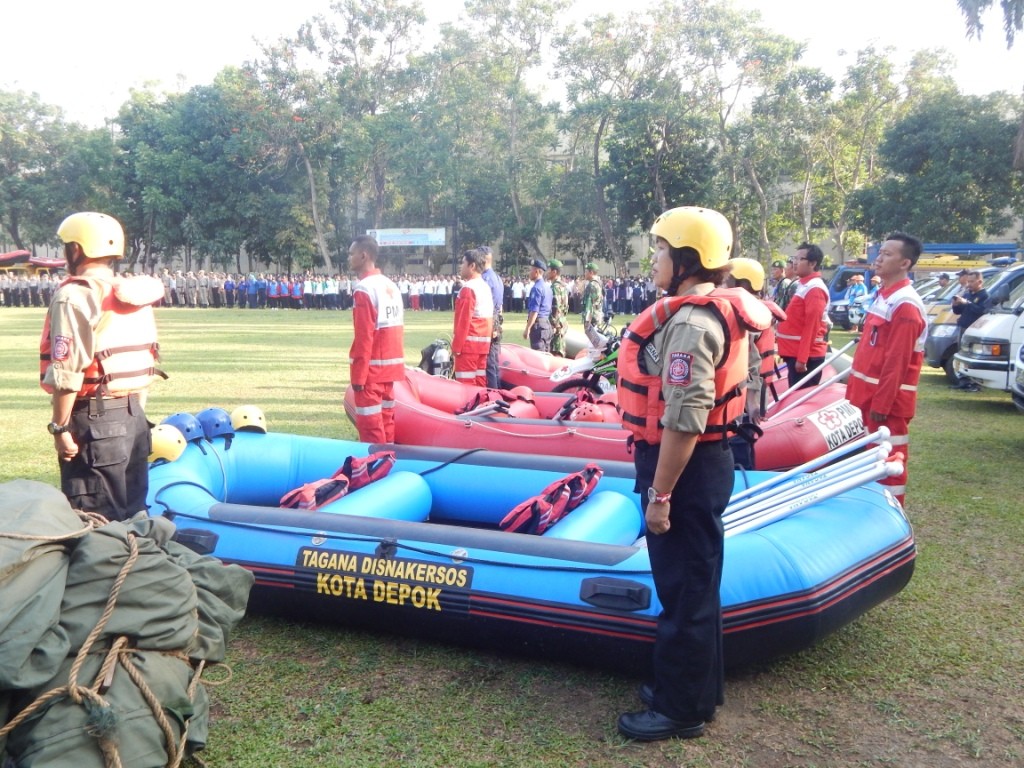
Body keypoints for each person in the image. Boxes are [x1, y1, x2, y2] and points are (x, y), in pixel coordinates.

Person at [615, 206, 770, 741]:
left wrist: (660, 495)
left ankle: (681, 710)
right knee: (695, 584)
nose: (653, 259)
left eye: (660, 250)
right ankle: (696, 690)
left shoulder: (691, 323)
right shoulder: (713, 312)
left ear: (687, 260)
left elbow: (683, 420)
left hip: (686, 470)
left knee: (684, 590)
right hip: (705, 465)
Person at [40, 212, 165, 521]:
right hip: (134, 415)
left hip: (94, 419)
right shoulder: (132, 294)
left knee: (93, 521)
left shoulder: (75, 295)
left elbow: (68, 373)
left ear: (77, 249)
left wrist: (60, 427)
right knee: (133, 517)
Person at [846, 233, 927, 507]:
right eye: (880, 252)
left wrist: (883, 402)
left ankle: (891, 518)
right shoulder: (884, 296)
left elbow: (897, 361)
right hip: (866, 398)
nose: (879, 258)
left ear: (905, 263)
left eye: (888, 254)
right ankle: (870, 511)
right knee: (868, 462)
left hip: (886, 405)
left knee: (888, 465)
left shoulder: (905, 304)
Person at [348, 235, 405, 443]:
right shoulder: (391, 285)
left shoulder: (364, 289)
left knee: (371, 428)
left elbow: (364, 337)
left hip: (371, 370)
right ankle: (389, 465)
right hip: (391, 369)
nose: (349, 258)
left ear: (364, 256)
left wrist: (358, 376)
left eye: (352, 253)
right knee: (387, 422)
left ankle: (375, 471)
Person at [776, 243, 829, 388]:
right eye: (794, 258)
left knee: (799, 398)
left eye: (800, 259)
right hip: (796, 353)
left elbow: (812, 326)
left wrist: (802, 358)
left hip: (806, 358)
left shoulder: (814, 289)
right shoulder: (804, 285)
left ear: (812, 263)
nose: (794, 262)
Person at [452, 249, 494, 387]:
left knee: (466, 383)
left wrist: (456, 347)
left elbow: (463, 321)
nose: (460, 266)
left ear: (472, 266)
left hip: (469, 345)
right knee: (480, 380)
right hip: (483, 344)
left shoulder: (468, 288)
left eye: (463, 263)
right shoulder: (485, 286)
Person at [480, 247, 505, 388]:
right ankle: (498, 393)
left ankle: (493, 395)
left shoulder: (485, 279)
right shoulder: (497, 277)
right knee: (494, 363)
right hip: (496, 320)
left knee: (488, 364)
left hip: (489, 320)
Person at [523, 259, 553, 352]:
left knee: (538, 358)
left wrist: (528, 328)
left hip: (538, 326)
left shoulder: (536, 288)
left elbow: (534, 311)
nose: (529, 273)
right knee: (547, 357)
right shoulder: (548, 288)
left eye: (531, 270)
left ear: (536, 271)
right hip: (547, 325)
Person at [951, 269, 989, 341]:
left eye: (972, 282)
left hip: (974, 330)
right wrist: (955, 305)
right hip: (963, 328)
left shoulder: (984, 295)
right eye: (968, 282)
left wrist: (967, 303)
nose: (969, 284)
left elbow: (981, 311)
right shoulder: (967, 294)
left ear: (980, 282)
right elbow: (958, 312)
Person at [547, 259, 569, 357]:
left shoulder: (555, 287)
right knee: (559, 349)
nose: (547, 272)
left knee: (556, 353)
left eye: (548, 270)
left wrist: (554, 325)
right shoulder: (563, 286)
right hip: (562, 321)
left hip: (556, 325)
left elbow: (555, 308)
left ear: (554, 272)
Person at [580, 261, 604, 344]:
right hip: (596, 317)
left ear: (591, 272)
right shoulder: (598, 284)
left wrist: (587, 322)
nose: (584, 274)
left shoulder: (592, 285)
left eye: (586, 271)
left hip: (592, 319)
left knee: (593, 344)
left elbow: (589, 306)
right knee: (595, 343)